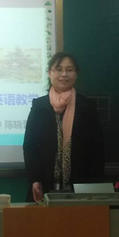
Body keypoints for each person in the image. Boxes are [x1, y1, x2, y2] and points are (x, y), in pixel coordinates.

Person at [23, 52, 104, 203]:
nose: (64, 74)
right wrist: (34, 179)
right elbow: (30, 146)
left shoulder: (86, 106)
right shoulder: (39, 106)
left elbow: (97, 148)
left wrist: (93, 183)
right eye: (58, 69)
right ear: (49, 73)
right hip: (45, 185)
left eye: (69, 70)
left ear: (76, 74)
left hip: (81, 187)